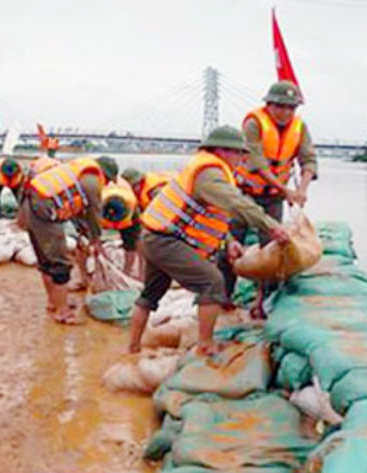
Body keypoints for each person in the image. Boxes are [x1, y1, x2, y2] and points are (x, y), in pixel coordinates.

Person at [128, 126, 289, 356]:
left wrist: (229, 240)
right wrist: (271, 225)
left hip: (155, 237)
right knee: (212, 281)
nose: (242, 159)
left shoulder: (205, 170)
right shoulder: (210, 173)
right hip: (167, 241)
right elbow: (235, 203)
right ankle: (205, 344)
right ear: (222, 151)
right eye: (239, 153)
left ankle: (133, 347)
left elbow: (211, 215)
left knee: (150, 295)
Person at [222, 80, 318, 317]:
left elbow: (308, 160)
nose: (285, 113)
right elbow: (257, 163)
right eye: (280, 107)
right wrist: (287, 191)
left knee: (272, 249)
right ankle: (223, 298)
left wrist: (302, 189)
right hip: (243, 195)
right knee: (231, 244)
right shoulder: (254, 123)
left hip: (273, 199)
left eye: (291, 108)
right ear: (269, 105)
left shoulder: (299, 128)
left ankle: (262, 301)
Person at [20, 155, 118, 324]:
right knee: (60, 264)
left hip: (31, 206)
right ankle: (62, 312)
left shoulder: (78, 174)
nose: (107, 185)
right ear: (106, 174)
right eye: (108, 181)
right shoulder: (93, 181)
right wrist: (96, 240)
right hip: (44, 211)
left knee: (46, 261)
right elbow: (94, 214)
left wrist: (83, 234)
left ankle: (54, 303)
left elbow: (77, 209)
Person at [100, 177, 141, 276]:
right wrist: (104, 259)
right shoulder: (95, 204)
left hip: (128, 213)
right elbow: (92, 235)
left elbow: (134, 242)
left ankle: (127, 272)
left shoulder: (133, 207)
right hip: (104, 201)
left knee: (133, 242)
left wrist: (125, 274)